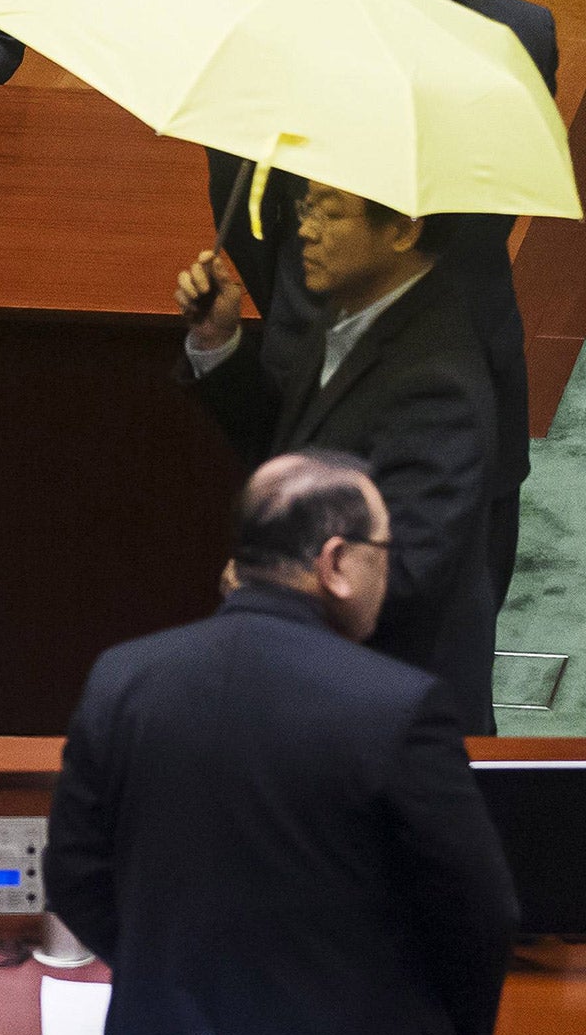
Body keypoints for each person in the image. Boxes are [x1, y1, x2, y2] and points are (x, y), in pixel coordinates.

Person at [45, 451, 518, 1035]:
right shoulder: (400, 706)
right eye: (384, 549)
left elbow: (71, 872)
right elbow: (478, 907)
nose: (393, 568)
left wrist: (164, 977)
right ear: (335, 562)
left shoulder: (123, 678)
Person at [209, 0, 558, 608]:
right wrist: (320, 310)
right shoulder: (286, 45)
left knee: (460, 628)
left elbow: (490, 214)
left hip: (470, 374)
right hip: (324, 374)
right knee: (315, 623)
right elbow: (257, 221)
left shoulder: (522, 36)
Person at [176, 181, 499, 732]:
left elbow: (406, 571)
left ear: (402, 229)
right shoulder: (351, 313)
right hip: (325, 681)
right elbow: (288, 448)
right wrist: (217, 341)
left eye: (330, 213)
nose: (305, 229)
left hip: (387, 708)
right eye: (305, 208)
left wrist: (271, 584)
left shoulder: (438, 382)